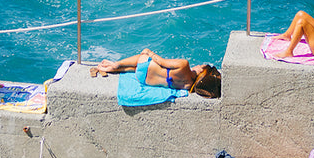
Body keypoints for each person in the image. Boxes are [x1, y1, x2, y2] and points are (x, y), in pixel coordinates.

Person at [89, 49, 222, 98]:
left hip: (144, 65)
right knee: (141, 68)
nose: (199, 65)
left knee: (143, 60)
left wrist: (148, 52)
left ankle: (115, 65)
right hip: (144, 80)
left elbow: (161, 62)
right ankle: (114, 68)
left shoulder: (184, 64)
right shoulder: (188, 87)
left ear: (202, 72)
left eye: (202, 66)